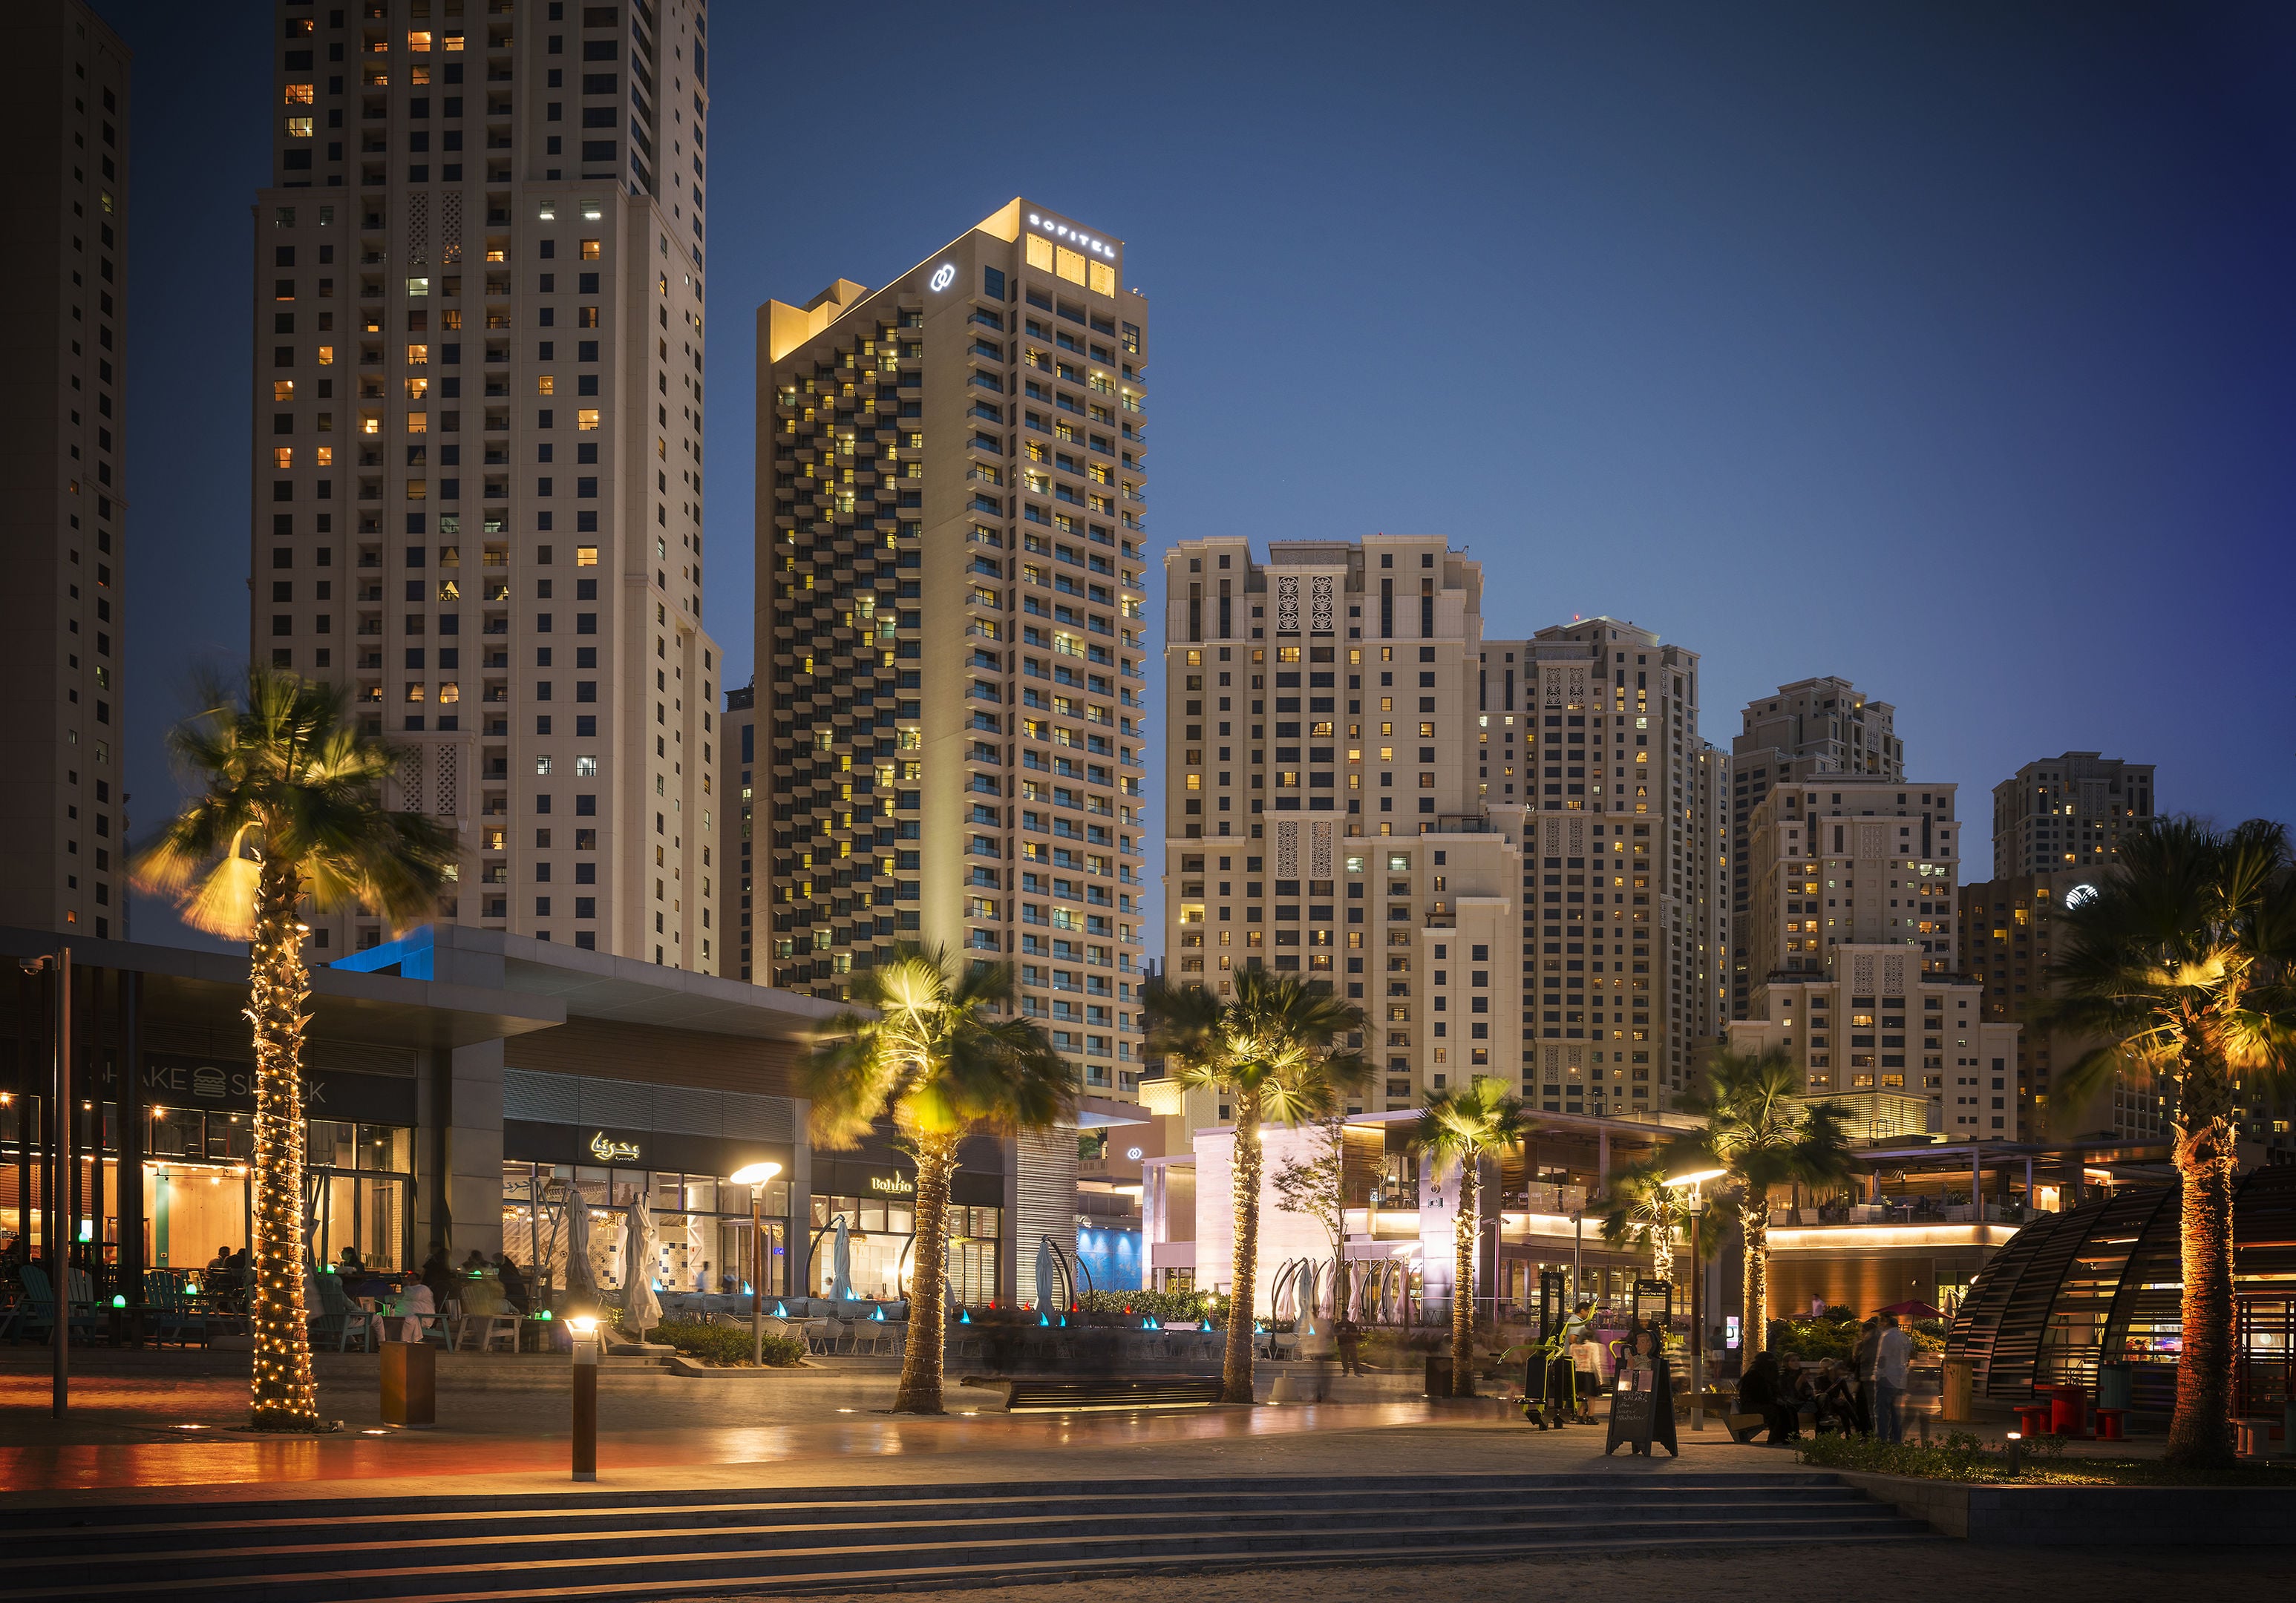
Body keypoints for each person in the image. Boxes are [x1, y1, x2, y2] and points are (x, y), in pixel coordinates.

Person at [1873, 1312, 1913, 1443]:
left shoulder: (1886, 1336)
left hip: (1887, 1377)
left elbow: (1882, 1358)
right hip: (1900, 1379)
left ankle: (1882, 1439)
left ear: (1887, 1322)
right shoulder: (1905, 1338)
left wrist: (1877, 1374)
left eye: (1881, 1321)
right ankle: (1896, 1439)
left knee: (1882, 1412)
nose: (1880, 1324)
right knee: (1896, 1412)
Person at [1735, 1350, 1788, 1443]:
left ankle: (1789, 1437)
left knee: (1788, 1409)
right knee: (1775, 1411)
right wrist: (1775, 1400)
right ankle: (1775, 1438)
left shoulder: (1770, 1376)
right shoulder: (1753, 1376)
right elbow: (1758, 1396)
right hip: (1752, 1406)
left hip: (1765, 1403)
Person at [1852, 1317, 1883, 1434]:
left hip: (1868, 1379)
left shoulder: (1872, 1345)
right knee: (1862, 1407)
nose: (1862, 1334)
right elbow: (1855, 1362)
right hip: (1862, 1379)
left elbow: (1865, 1361)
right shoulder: (1864, 1344)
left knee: (1868, 1407)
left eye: (1863, 1331)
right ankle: (1865, 1431)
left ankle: (1869, 1432)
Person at [494, 1250, 529, 1315]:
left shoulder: (504, 1270)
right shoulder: (510, 1267)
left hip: (512, 1295)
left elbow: (503, 1282)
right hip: (520, 1296)